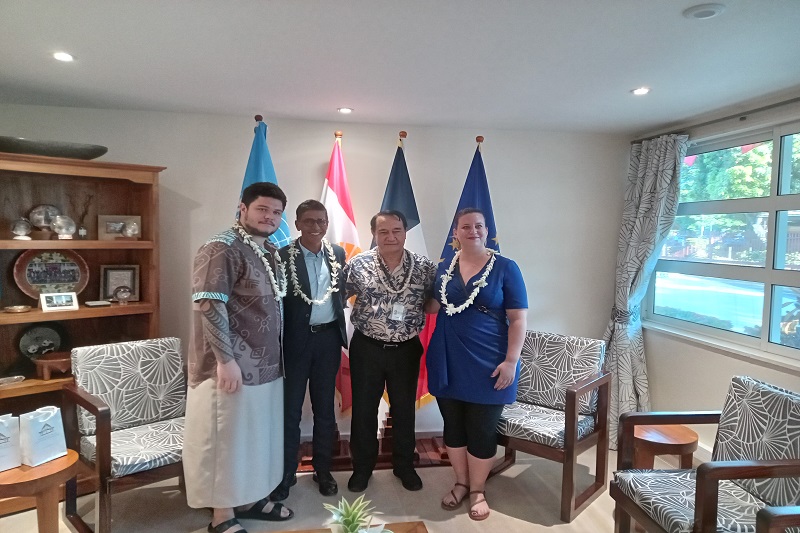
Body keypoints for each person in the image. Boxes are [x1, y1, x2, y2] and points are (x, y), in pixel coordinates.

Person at [183, 182, 294, 533]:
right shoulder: (221, 246)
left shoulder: (270, 249)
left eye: (276, 212)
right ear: (242, 209)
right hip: (228, 368)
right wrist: (225, 359)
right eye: (263, 209)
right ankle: (222, 514)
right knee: (225, 441)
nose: (270, 217)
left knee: (254, 438)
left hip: (265, 366)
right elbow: (210, 304)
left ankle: (251, 497)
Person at [426, 207, 528, 522]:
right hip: (447, 358)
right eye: (466, 227)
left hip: (490, 361)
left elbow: (518, 318)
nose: (473, 231)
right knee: (454, 427)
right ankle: (460, 481)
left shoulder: (506, 268)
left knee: (482, 429)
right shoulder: (444, 271)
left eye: (479, 226)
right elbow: (430, 306)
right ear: (455, 233)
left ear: (486, 230)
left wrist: (512, 361)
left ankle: (477, 490)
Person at [343, 210, 436, 493]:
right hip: (367, 347)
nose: (390, 236)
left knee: (404, 410)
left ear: (405, 232)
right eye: (383, 232)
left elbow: (434, 304)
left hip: (405, 349)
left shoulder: (424, 267)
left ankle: (404, 466)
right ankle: (362, 468)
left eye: (396, 230)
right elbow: (337, 298)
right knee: (364, 410)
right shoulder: (357, 264)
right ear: (374, 234)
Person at [272, 200, 348, 500]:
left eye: (321, 221)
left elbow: (342, 294)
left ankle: (323, 470)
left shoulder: (338, 254)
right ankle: (287, 472)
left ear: (327, 223)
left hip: (328, 341)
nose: (316, 227)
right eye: (309, 221)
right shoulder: (281, 256)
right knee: (290, 411)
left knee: (324, 410)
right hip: (294, 342)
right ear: (297, 224)